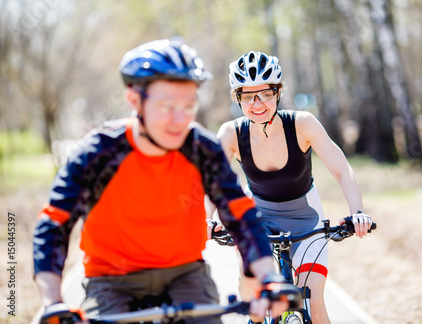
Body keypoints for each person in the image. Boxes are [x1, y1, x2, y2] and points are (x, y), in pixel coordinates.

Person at [32, 39, 288, 324]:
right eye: (167, 106)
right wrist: (52, 301)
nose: (180, 119)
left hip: (184, 275)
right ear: (134, 100)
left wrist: (269, 279)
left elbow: (240, 214)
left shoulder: (201, 149)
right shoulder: (97, 153)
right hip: (111, 282)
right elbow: (54, 222)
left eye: (189, 106)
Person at [210, 51, 372, 324]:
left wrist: (357, 212)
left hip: (305, 218)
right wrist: (207, 220)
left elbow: (342, 170)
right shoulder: (231, 134)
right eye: (248, 96)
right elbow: (213, 182)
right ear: (238, 98)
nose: (257, 103)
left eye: (265, 93)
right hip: (258, 219)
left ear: (278, 92)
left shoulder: (302, 124)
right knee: (252, 290)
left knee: (314, 302)